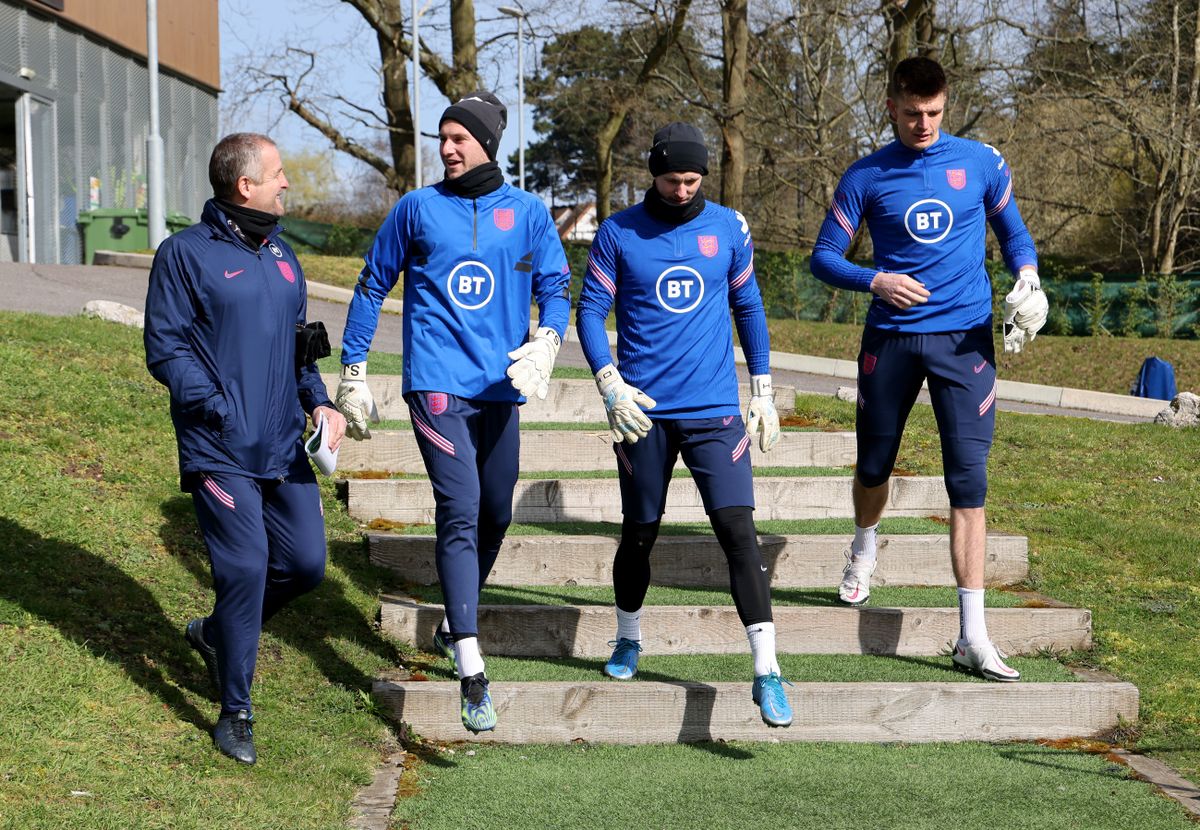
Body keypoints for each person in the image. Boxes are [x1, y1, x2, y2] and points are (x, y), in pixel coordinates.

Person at [336, 91, 570, 733]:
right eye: (442, 137)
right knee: (461, 509)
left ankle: (449, 621)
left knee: (497, 509)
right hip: (436, 385)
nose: (447, 148)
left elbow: (555, 285)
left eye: (459, 138)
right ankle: (472, 669)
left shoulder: (527, 212)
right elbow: (370, 283)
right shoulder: (416, 208)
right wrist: (353, 370)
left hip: (501, 386)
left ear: (489, 142)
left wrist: (549, 337)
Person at [810, 57, 1049, 682]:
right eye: (913, 113)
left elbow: (1015, 235)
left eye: (935, 113)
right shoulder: (865, 176)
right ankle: (864, 546)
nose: (924, 123)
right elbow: (824, 257)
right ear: (890, 106)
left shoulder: (981, 163)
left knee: (968, 482)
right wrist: (875, 279)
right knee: (873, 463)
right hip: (889, 341)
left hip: (964, 342)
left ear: (946, 106)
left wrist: (1028, 277)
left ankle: (972, 634)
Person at [576, 122, 793, 727]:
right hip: (643, 414)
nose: (682, 191)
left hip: (716, 413)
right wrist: (608, 380)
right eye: (672, 180)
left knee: (739, 534)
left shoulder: (728, 227)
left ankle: (767, 669)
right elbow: (590, 309)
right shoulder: (619, 231)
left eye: (692, 181)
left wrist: (764, 388)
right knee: (640, 532)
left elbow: (748, 306)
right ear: (654, 174)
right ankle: (627, 636)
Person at [145, 133, 347, 764]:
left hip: (285, 444)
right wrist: (216, 405)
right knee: (245, 570)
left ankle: (214, 636)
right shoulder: (184, 255)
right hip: (220, 447)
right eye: (278, 173)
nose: (287, 183)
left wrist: (319, 400)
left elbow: (300, 346)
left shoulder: (284, 256)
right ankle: (235, 711)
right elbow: (166, 348)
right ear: (245, 185)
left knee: (308, 566)